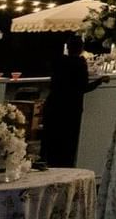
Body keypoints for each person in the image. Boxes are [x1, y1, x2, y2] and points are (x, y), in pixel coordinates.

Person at [40, 39, 101, 168]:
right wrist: (99, 81)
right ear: (81, 49)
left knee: (50, 139)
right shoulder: (79, 63)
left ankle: (47, 164)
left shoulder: (58, 61)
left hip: (54, 104)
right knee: (67, 144)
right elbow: (83, 87)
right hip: (70, 108)